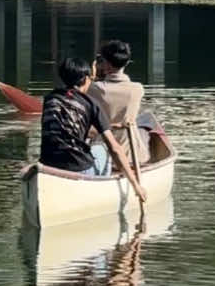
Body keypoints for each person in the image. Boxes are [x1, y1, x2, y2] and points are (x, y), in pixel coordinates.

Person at [39, 57, 146, 201]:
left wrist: (110, 126)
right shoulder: (91, 104)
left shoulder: (50, 99)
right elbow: (114, 148)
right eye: (90, 78)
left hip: (48, 163)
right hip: (77, 166)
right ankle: (103, 186)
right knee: (102, 148)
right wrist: (136, 185)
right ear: (85, 79)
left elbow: (71, 126)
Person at [87, 38, 148, 165]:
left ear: (106, 64)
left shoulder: (95, 88)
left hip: (103, 153)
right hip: (131, 153)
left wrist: (92, 76)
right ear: (126, 63)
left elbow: (82, 94)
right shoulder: (137, 89)